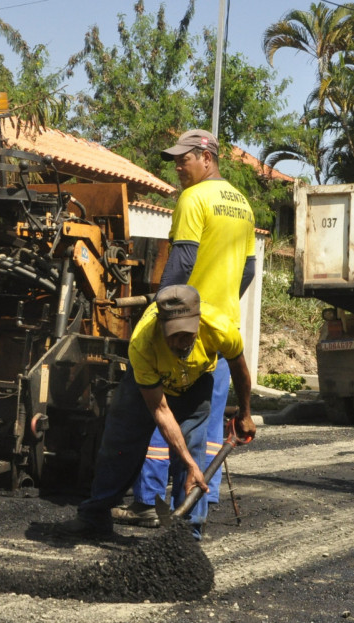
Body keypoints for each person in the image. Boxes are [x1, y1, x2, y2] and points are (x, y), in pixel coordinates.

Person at [114, 129, 257, 528]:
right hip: (220, 330)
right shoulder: (243, 205)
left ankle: (146, 502)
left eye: (184, 160)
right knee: (205, 428)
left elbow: (180, 264)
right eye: (176, 161)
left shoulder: (194, 199)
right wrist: (221, 302)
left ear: (207, 158)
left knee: (164, 416)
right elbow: (248, 269)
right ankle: (196, 507)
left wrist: (164, 312)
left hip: (184, 325)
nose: (178, 168)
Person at [57, 285, 256, 541]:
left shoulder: (220, 327)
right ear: (161, 326)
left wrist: (246, 414)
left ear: (198, 322)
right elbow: (161, 411)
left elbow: (240, 371)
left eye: (187, 335)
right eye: (173, 335)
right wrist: (189, 463)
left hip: (196, 382)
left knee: (193, 447)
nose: (180, 342)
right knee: (119, 446)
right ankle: (94, 517)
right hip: (148, 388)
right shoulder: (143, 343)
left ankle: (186, 533)